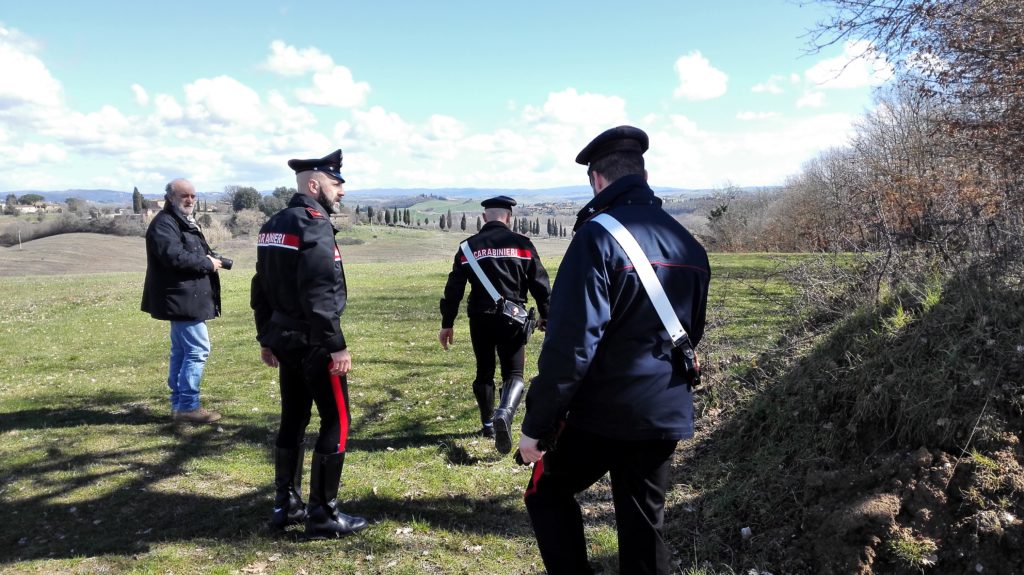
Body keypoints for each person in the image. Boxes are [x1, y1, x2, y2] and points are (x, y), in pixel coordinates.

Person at [516, 126, 711, 575]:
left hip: (602, 412)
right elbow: (689, 333)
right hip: (665, 409)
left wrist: (537, 425)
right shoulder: (689, 244)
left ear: (596, 180)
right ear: (642, 173)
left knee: (545, 494)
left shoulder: (596, 236)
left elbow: (571, 347)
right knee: (645, 524)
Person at [251, 149, 368, 538]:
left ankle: (286, 506)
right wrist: (336, 344)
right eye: (336, 184)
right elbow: (320, 289)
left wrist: (265, 336)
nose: (341, 193)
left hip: (283, 338)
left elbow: (260, 286)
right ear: (314, 184)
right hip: (315, 343)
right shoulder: (314, 224)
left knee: (293, 420)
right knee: (337, 420)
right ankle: (323, 514)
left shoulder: (273, 223)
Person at [438, 195, 551, 453]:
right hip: (513, 320)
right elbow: (541, 285)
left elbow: (453, 289)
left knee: (484, 372)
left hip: (480, 319)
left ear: (483, 218)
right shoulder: (522, 245)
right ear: (509, 217)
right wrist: (546, 315)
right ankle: (505, 413)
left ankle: (489, 424)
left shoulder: (467, 248)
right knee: (514, 375)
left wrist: (447, 323)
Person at [142, 178, 225, 424]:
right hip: (181, 298)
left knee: (181, 351)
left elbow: (190, 251)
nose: (190, 200)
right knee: (198, 350)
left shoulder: (181, 221)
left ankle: (180, 404)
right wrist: (207, 263)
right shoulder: (164, 224)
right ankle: (188, 405)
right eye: (184, 196)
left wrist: (213, 259)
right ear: (170, 198)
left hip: (185, 297)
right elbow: (174, 257)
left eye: (193, 196)